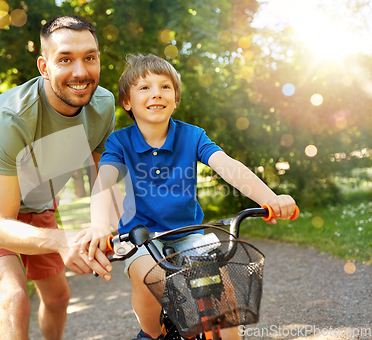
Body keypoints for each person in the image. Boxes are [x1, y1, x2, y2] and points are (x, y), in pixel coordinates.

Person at [78, 53, 297, 340]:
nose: (156, 93)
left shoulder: (192, 136)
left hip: (189, 232)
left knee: (222, 290)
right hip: (142, 236)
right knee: (148, 278)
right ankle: (151, 333)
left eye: (165, 86)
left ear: (176, 98)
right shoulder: (120, 141)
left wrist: (270, 198)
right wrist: (98, 225)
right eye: (144, 88)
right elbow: (103, 182)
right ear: (127, 102)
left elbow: (228, 166)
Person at [0, 15, 115, 340]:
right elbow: (0, 225)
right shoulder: (8, 118)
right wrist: (64, 239)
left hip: (38, 203)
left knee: (58, 297)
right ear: (44, 66)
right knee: (13, 299)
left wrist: (104, 224)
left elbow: (103, 180)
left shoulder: (103, 106)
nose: (81, 72)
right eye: (65, 59)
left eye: (90, 58)